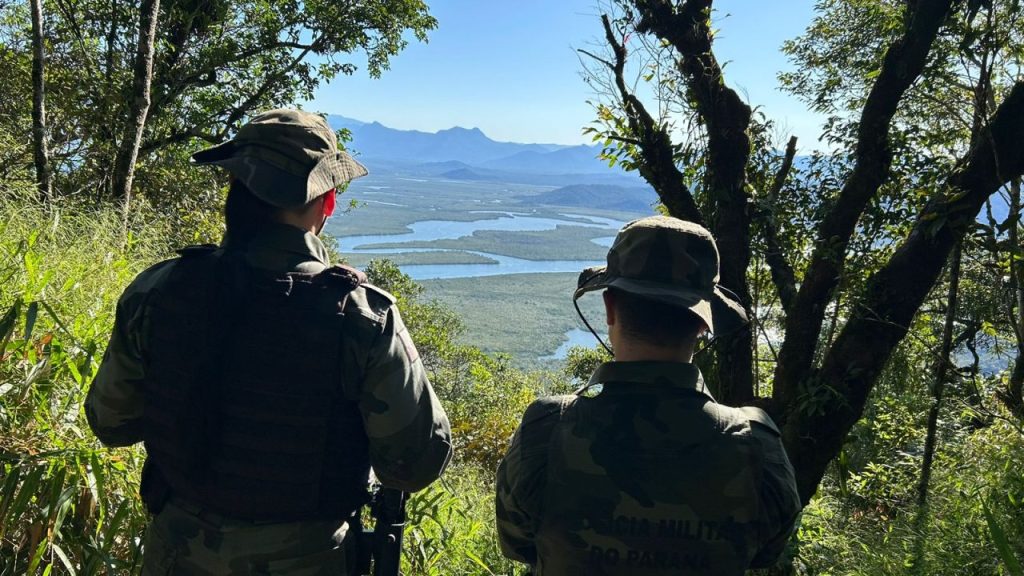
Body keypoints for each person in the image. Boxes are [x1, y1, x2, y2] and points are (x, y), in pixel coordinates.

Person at [85, 109, 453, 575]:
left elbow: (110, 422)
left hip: (175, 554)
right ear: (328, 203)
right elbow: (414, 463)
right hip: (309, 560)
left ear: (235, 192)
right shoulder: (361, 315)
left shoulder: (158, 290)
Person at [495, 215, 802, 575]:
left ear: (610, 307)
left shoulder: (547, 429)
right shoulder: (757, 444)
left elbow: (515, 543)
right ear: (705, 323)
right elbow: (767, 552)